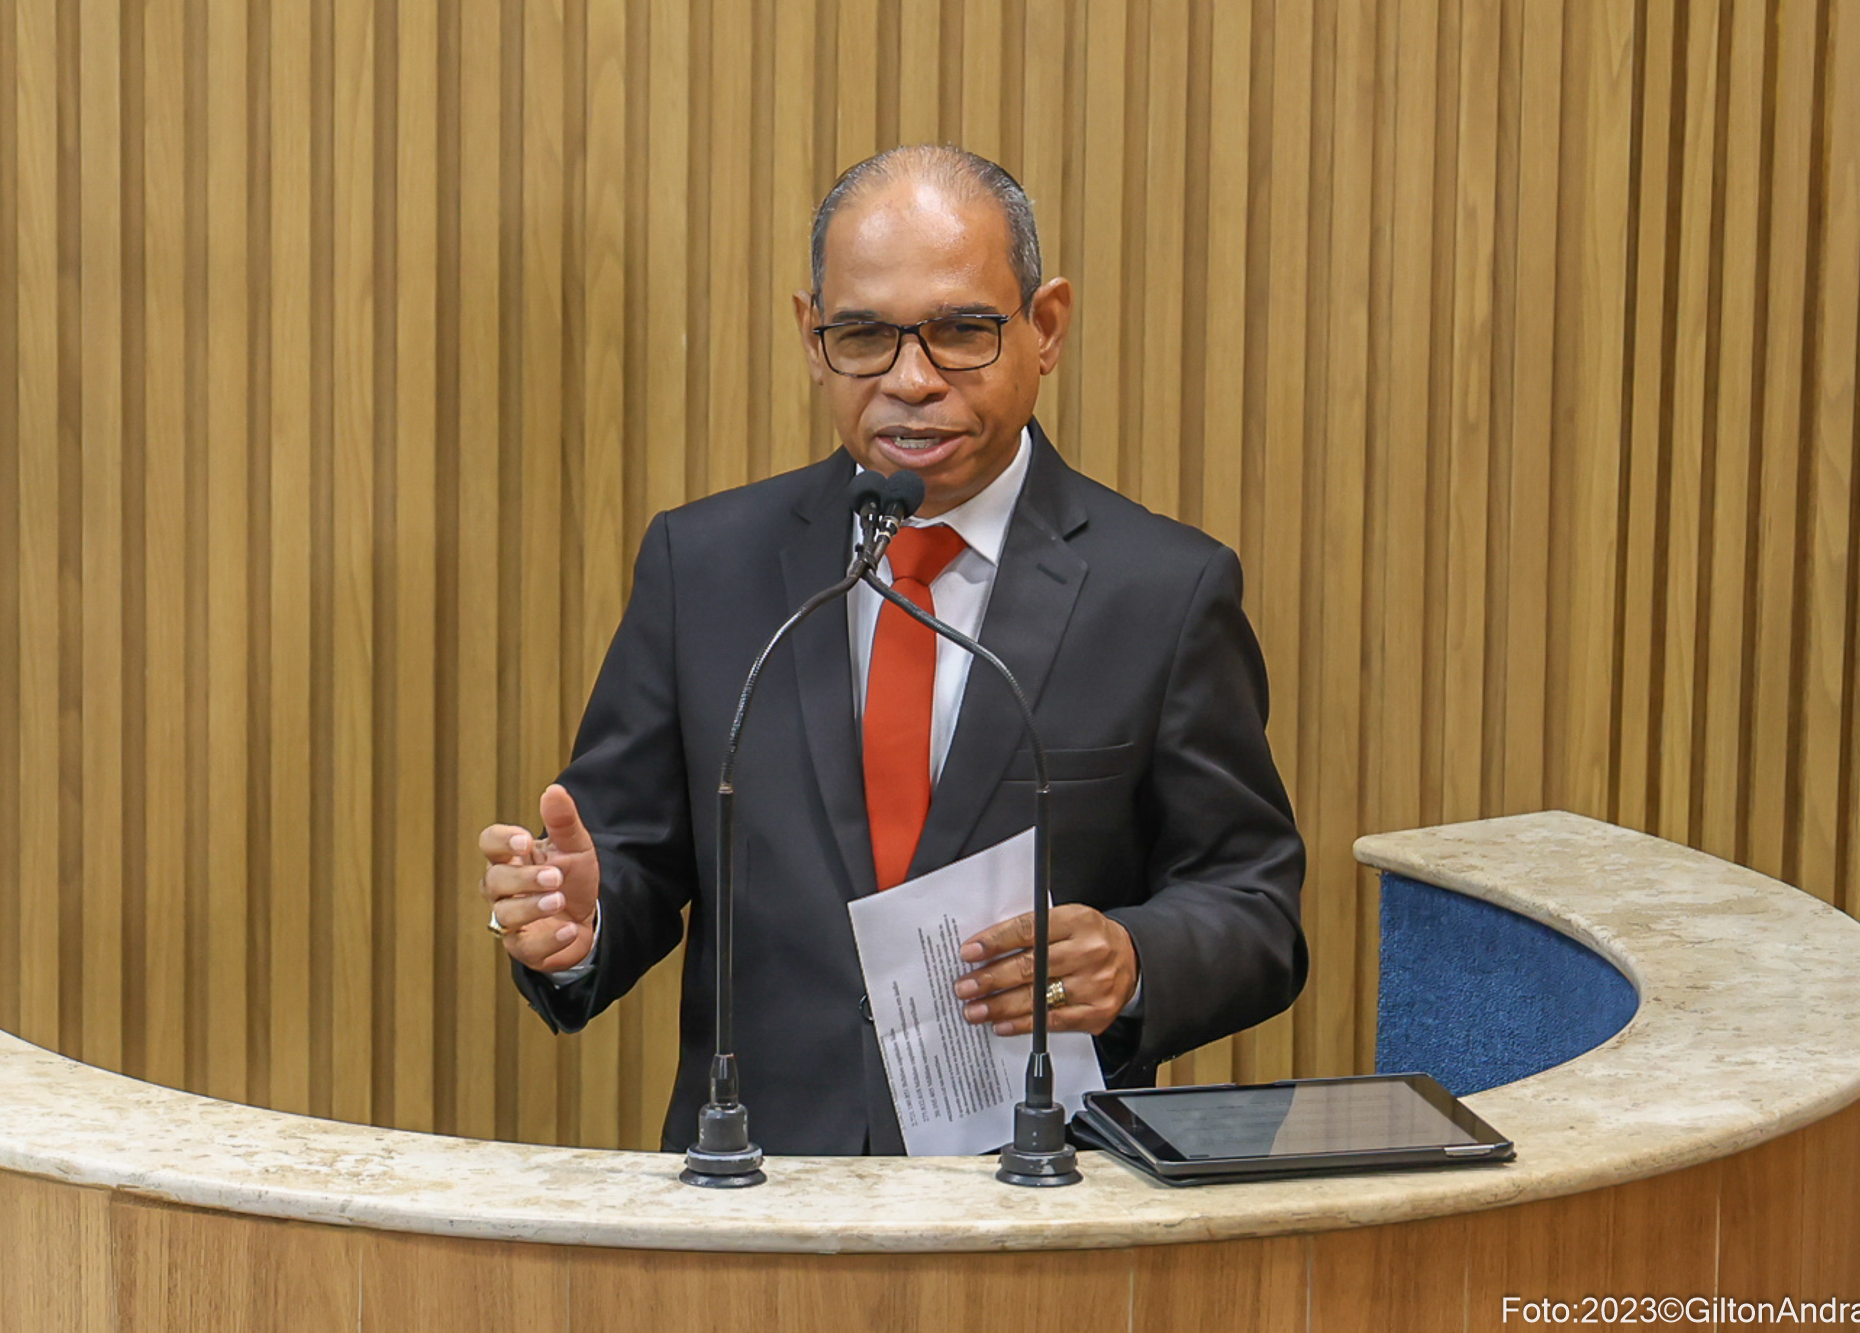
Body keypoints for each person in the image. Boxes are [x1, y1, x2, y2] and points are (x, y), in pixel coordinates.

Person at [477, 145, 1306, 1155]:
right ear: (812, 337)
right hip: (764, 1183)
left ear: (1045, 327)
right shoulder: (706, 566)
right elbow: (630, 856)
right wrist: (581, 919)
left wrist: (1135, 958)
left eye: (961, 331)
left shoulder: (1162, 591)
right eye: (865, 335)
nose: (912, 381)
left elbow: (1254, 906)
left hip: (1040, 1189)